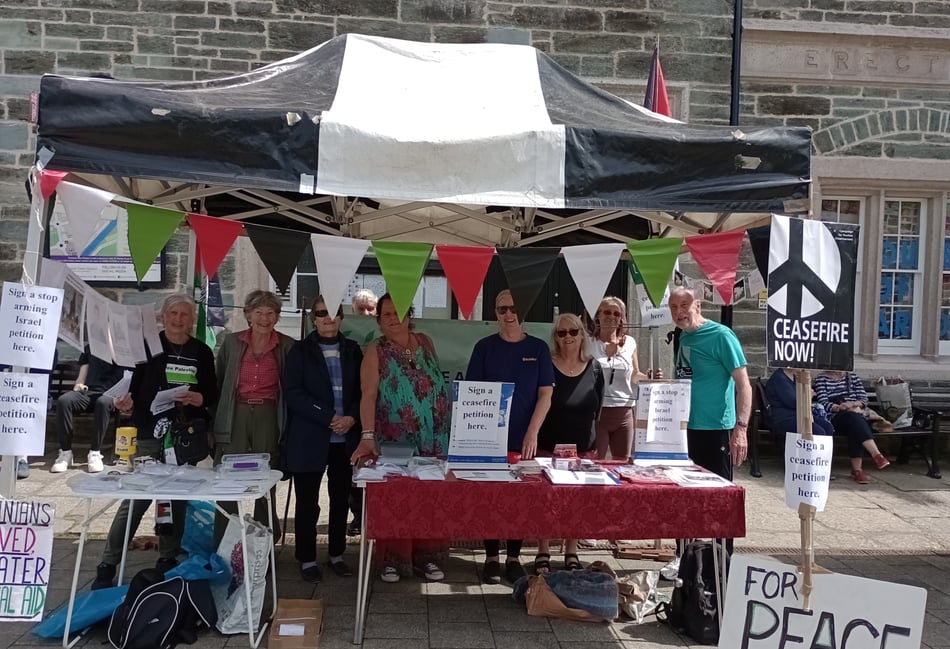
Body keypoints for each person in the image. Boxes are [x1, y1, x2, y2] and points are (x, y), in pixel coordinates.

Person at [92, 294, 217, 590]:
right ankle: (108, 563)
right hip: (149, 433)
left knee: (176, 499)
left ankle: (168, 557)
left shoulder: (201, 351)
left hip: (184, 435)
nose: (178, 319)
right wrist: (124, 404)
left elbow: (211, 392)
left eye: (185, 314)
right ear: (163, 316)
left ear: (192, 319)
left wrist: (199, 397)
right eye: (173, 313)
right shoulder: (146, 347)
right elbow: (129, 389)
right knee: (136, 499)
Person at [350, 293, 451, 583]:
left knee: (430, 496)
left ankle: (428, 556)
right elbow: (368, 396)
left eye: (399, 312)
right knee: (398, 496)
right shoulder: (375, 350)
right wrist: (367, 437)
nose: (394, 318)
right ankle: (392, 559)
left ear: (410, 315)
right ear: (379, 321)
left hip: (434, 436)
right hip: (396, 437)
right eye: (387, 314)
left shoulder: (426, 342)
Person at [466, 289, 554, 585]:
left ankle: (514, 557)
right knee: (490, 497)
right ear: (495, 313)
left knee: (520, 499)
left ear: (523, 311)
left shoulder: (539, 348)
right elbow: (473, 395)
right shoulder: (484, 347)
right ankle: (491, 556)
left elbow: (546, 394)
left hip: (524, 437)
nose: (508, 314)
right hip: (489, 437)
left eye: (514, 308)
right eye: (502, 309)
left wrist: (533, 432)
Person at [283, 297, 363, 583]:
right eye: (321, 313)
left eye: (333, 313)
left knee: (341, 500)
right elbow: (293, 393)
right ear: (313, 319)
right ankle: (306, 558)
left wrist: (351, 417)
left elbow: (364, 392)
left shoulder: (353, 351)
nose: (328, 318)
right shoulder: (299, 351)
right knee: (308, 503)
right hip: (310, 437)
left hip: (345, 439)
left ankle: (337, 555)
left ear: (341, 317)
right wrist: (329, 417)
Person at [212, 290, 294, 539]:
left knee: (264, 476)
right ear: (248, 315)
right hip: (235, 413)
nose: (264, 318)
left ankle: (265, 539)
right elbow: (221, 381)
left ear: (277, 317)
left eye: (270, 313)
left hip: (268, 414)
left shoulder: (287, 345)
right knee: (228, 476)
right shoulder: (232, 342)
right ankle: (224, 540)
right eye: (258, 312)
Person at [535, 313, 604, 574]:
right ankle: (543, 549)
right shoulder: (546, 364)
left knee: (578, 503)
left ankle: (571, 550)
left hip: (584, 449)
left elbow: (599, 408)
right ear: (555, 338)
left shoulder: (595, 367)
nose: (568, 337)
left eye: (573, 332)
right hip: (548, 446)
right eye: (561, 333)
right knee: (546, 501)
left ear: (582, 335)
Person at [669, 286, 750, 478]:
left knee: (718, 494)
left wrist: (741, 429)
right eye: (673, 307)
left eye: (684, 305)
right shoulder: (682, 336)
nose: (678, 311)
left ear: (698, 306)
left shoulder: (721, 336)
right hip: (686, 428)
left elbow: (744, 385)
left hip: (715, 429)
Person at [588, 297, 646, 461]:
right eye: (607, 312)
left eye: (617, 313)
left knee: (622, 462)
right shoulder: (588, 343)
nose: (612, 316)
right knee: (596, 463)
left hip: (624, 412)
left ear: (622, 318)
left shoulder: (630, 342)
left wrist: (650, 377)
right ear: (598, 315)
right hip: (598, 412)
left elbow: (635, 374)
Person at [52, 344, 125, 474]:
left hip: (110, 395)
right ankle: (65, 453)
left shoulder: (122, 347)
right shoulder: (90, 346)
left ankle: (95, 453)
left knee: (102, 403)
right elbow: (82, 373)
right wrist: (79, 384)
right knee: (64, 401)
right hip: (88, 393)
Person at [813, 370, 891, 484]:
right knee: (854, 420)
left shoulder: (852, 377)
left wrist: (853, 404)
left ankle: (858, 470)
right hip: (835, 417)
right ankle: (874, 457)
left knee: (855, 423)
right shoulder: (822, 379)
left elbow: (863, 399)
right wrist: (840, 407)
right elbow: (823, 402)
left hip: (856, 414)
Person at [348, 289, 377, 534]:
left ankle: (374, 516)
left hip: (377, 415)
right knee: (354, 473)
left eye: (371, 309)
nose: (366, 313)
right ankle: (357, 517)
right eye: (361, 309)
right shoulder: (349, 343)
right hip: (352, 416)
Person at [765, 368, 835, 442]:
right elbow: (794, 403)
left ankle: (823, 453)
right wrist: (809, 395)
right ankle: (809, 453)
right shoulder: (779, 378)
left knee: (828, 427)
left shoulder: (795, 377)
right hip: (784, 419)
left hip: (799, 415)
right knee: (818, 432)